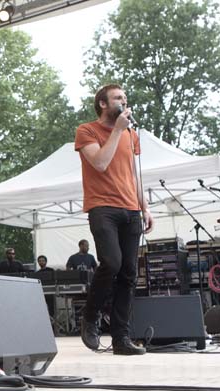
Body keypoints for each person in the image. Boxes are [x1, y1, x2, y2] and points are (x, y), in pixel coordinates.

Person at [75, 84, 154, 356]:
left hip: (131, 209)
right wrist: (118, 130)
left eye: (125, 97)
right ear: (103, 104)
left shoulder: (130, 134)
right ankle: (90, 315)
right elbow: (99, 162)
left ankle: (121, 338)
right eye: (118, 98)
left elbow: (133, 174)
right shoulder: (87, 131)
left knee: (129, 274)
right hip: (102, 208)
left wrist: (145, 207)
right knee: (112, 262)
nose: (124, 101)